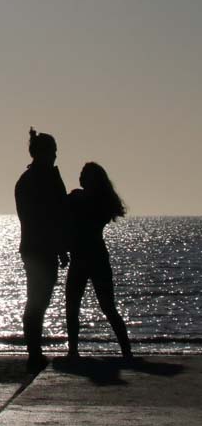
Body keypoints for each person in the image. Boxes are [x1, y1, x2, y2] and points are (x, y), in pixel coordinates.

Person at [15, 128, 69, 372]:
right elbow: (53, 215)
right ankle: (34, 353)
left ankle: (34, 352)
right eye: (53, 151)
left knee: (38, 300)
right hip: (40, 249)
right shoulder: (42, 179)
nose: (56, 156)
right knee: (37, 301)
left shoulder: (30, 180)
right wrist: (60, 247)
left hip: (35, 248)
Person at [65, 162, 132, 360]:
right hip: (92, 255)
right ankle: (125, 351)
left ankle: (74, 351)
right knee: (99, 305)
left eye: (84, 174)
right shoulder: (99, 200)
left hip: (87, 256)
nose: (81, 177)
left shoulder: (86, 200)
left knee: (85, 305)